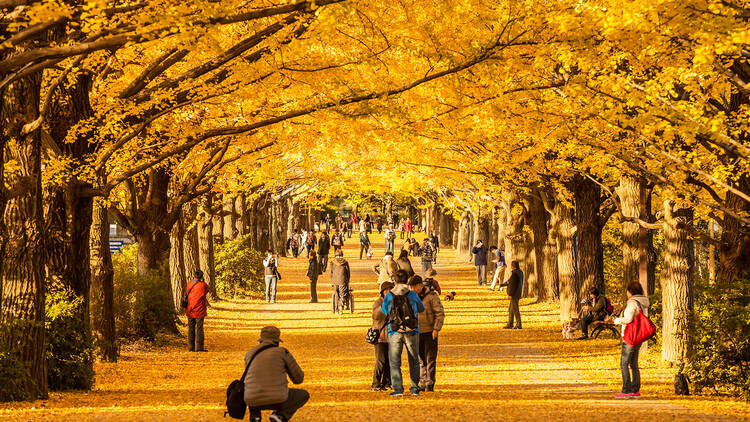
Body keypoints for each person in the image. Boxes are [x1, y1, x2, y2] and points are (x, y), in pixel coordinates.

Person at [244, 326, 308, 422]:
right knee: (303, 395)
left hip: (252, 400)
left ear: (260, 341)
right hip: (279, 399)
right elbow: (298, 379)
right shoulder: (282, 352)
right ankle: (280, 416)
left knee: (252, 390)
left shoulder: (249, 354)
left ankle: (255, 417)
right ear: (277, 341)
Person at [381, 270, 425, 397]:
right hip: (412, 330)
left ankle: (398, 389)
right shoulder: (412, 294)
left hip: (394, 331)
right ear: (407, 281)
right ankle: (414, 388)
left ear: (394, 281)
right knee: (414, 360)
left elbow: (384, 311)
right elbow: (421, 308)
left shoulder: (389, 296)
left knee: (394, 361)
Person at [613, 281, 650, 399]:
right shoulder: (642, 303)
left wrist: (617, 320)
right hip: (638, 337)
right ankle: (635, 389)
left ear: (631, 291)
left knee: (624, 363)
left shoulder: (632, 303)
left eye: (627, 291)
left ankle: (626, 390)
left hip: (630, 337)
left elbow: (628, 319)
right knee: (634, 364)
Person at [410, 275, 444, 392]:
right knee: (420, 359)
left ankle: (430, 383)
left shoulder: (431, 296)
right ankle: (423, 382)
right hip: (416, 332)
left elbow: (439, 313)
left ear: (420, 285)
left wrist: (436, 329)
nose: (413, 289)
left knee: (430, 359)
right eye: (411, 287)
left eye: (414, 287)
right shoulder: (411, 297)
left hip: (430, 332)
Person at [371, 281, 393, 391]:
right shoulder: (378, 303)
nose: (388, 292)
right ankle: (375, 383)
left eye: (390, 290)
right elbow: (376, 316)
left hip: (392, 336)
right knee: (381, 360)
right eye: (386, 290)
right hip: (380, 337)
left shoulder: (395, 302)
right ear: (382, 292)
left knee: (390, 360)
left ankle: (387, 383)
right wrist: (385, 305)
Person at [186, 269, 209, 352]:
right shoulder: (203, 285)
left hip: (190, 309)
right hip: (200, 310)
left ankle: (191, 347)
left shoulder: (189, 284)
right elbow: (207, 291)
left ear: (194, 276)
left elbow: (187, 292)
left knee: (191, 329)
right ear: (202, 277)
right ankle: (199, 347)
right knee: (199, 328)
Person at [501, 260, 523, 329]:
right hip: (518, 293)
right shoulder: (520, 272)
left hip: (514, 294)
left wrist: (510, 294)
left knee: (515, 309)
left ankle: (519, 324)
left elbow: (513, 285)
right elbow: (510, 282)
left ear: (513, 267)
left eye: (512, 266)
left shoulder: (515, 274)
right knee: (511, 309)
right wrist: (503, 284)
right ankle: (510, 323)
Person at [330, 249, 351, 314]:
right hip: (343, 280)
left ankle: (336, 310)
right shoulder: (345, 262)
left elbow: (331, 273)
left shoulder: (332, 262)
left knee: (336, 294)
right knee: (342, 294)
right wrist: (347, 280)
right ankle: (341, 306)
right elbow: (348, 272)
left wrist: (332, 280)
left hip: (335, 281)